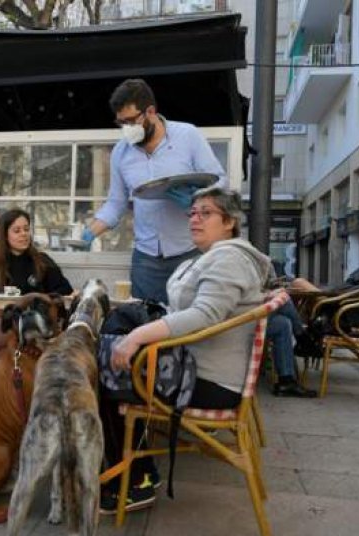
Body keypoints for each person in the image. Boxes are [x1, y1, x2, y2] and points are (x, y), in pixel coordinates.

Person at [101, 187, 272, 514]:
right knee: (114, 363)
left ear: (230, 222)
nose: (195, 218)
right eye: (192, 212)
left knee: (109, 375)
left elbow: (204, 315)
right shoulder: (211, 257)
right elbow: (186, 310)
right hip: (198, 369)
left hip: (210, 382)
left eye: (205, 212)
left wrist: (138, 335)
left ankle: (135, 481)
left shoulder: (230, 258)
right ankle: (132, 471)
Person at [83, 78, 228, 304]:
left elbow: (221, 181)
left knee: (189, 326)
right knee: (144, 326)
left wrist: (196, 199)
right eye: (121, 123)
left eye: (131, 121)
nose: (127, 129)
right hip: (146, 259)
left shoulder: (187, 135)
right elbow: (116, 203)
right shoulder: (121, 152)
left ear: (150, 111)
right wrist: (90, 231)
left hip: (188, 252)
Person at [271, 229, 359, 378]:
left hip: (347, 313)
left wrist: (330, 294)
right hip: (340, 305)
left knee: (297, 285)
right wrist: (329, 292)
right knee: (295, 296)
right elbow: (351, 286)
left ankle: (300, 336)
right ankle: (301, 336)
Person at [0, 209, 73, 347]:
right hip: (1, 325)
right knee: (16, 328)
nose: (24, 234)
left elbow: (65, 289)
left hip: (39, 322)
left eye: (26, 229)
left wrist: (40, 299)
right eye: (17, 230)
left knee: (54, 330)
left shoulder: (41, 261)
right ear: (4, 235)